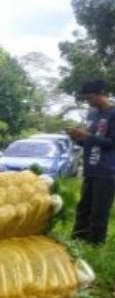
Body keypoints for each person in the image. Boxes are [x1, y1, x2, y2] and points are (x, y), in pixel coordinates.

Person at [67, 79, 115, 245]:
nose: (88, 102)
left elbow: (111, 143)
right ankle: (77, 242)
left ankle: (95, 245)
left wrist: (87, 135)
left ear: (101, 93)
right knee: (83, 209)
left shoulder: (113, 113)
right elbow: (89, 142)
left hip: (106, 171)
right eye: (86, 99)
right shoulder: (92, 115)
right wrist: (77, 138)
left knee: (99, 211)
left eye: (90, 98)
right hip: (90, 169)